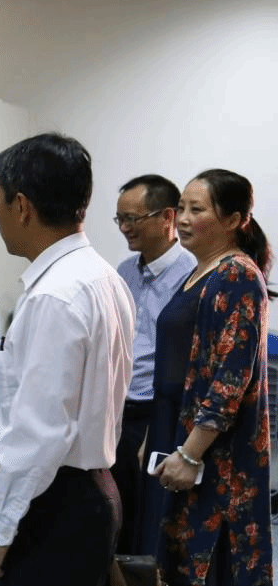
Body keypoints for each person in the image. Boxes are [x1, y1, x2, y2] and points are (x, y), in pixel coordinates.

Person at [0, 133, 135, 585]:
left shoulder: (55, 296)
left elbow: (40, 431)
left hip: (55, 501)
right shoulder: (103, 276)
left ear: (21, 206)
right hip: (91, 487)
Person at [146, 169, 274, 586]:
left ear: (234, 220)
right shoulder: (202, 270)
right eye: (181, 208)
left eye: (197, 210)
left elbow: (230, 379)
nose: (183, 219)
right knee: (173, 558)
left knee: (211, 560)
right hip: (177, 430)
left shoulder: (237, 275)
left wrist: (190, 454)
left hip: (213, 451)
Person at [112, 175, 196, 555]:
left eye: (133, 218)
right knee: (115, 513)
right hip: (118, 409)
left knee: (152, 521)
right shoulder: (123, 272)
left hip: (160, 412)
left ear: (166, 217)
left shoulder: (192, 275)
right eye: (120, 219)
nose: (125, 228)